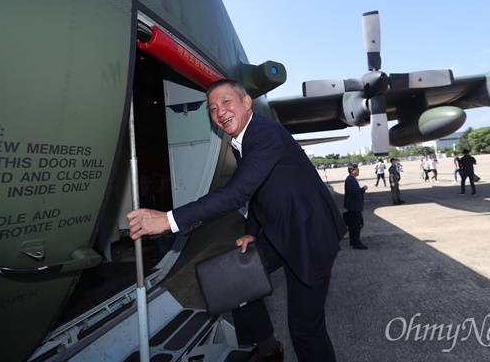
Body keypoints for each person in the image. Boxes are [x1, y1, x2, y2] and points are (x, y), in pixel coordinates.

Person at [127, 79, 346, 362]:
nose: (220, 111)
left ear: (246, 102)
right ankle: (266, 347)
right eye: (213, 108)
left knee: (305, 329)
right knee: (234, 279)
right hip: (282, 232)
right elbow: (255, 195)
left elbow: (237, 193)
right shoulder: (241, 143)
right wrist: (251, 232)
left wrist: (169, 220)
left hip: (309, 236)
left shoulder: (264, 133)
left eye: (226, 102)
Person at [343, 164, 368, 249]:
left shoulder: (352, 179)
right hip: (354, 207)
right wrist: (362, 189)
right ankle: (356, 243)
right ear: (352, 171)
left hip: (353, 206)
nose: (358, 171)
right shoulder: (350, 180)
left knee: (353, 225)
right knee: (356, 225)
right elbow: (353, 192)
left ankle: (353, 241)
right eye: (357, 169)